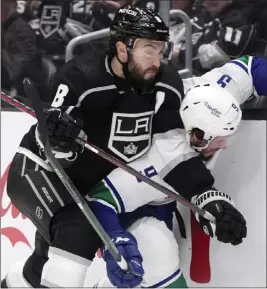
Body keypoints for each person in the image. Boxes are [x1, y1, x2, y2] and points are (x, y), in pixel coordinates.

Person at [1, 5, 186, 288]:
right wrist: (60, 136)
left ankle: (19, 282)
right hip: (42, 171)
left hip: (95, 184)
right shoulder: (82, 74)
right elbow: (49, 141)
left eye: (162, 49)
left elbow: (166, 146)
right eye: (150, 49)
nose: (158, 60)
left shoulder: (166, 82)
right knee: (79, 231)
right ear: (123, 49)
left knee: (141, 245)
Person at [87, 55, 266, 288]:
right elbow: (100, 198)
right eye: (219, 139)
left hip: (166, 184)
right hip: (136, 187)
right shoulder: (159, 155)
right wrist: (115, 239)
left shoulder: (218, 95)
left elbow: (252, 68)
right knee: (156, 250)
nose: (225, 145)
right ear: (196, 135)